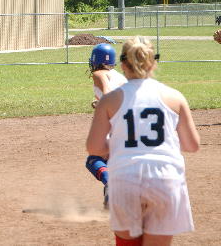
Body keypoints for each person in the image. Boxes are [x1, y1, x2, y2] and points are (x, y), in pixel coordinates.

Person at [86, 36, 200, 246]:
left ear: (123, 65)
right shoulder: (175, 97)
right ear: (153, 63)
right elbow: (192, 145)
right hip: (166, 180)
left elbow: (94, 147)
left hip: (126, 179)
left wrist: (122, 143)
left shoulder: (109, 100)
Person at [86, 43, 128, 208]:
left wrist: (103, 105)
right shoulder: (119, 76)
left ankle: (111, 184)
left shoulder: (99, 73)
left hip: (115, 123)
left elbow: (108, 93)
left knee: (94, 159)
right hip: (131, 124)